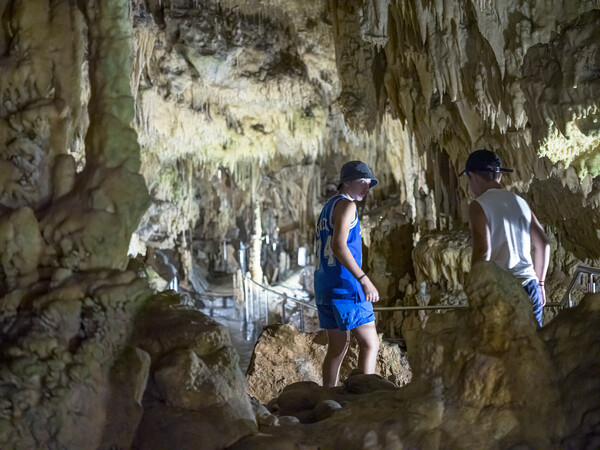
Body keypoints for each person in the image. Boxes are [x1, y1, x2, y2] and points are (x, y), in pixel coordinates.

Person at [461, 149, 550, 326]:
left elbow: (483, 250)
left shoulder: (478, 206)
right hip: (530, 286)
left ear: (472, 176)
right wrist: (540, 284)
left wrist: (475, 288)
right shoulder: (520, 202)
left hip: (502, 289)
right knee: (534, 347)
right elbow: (543, 244)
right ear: (499, 176)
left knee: (502, 349)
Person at [314, 161, 380, 387]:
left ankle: (328, 396)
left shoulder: (327, 207)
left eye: (369, 183)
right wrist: (364, 279)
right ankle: (366, 394)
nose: (366, 187)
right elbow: (339, 245)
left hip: (325, 286)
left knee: (337, 347)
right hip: (346, 287)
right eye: (362, 182)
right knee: (370, 343)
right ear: (346, 182)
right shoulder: (346, 206)